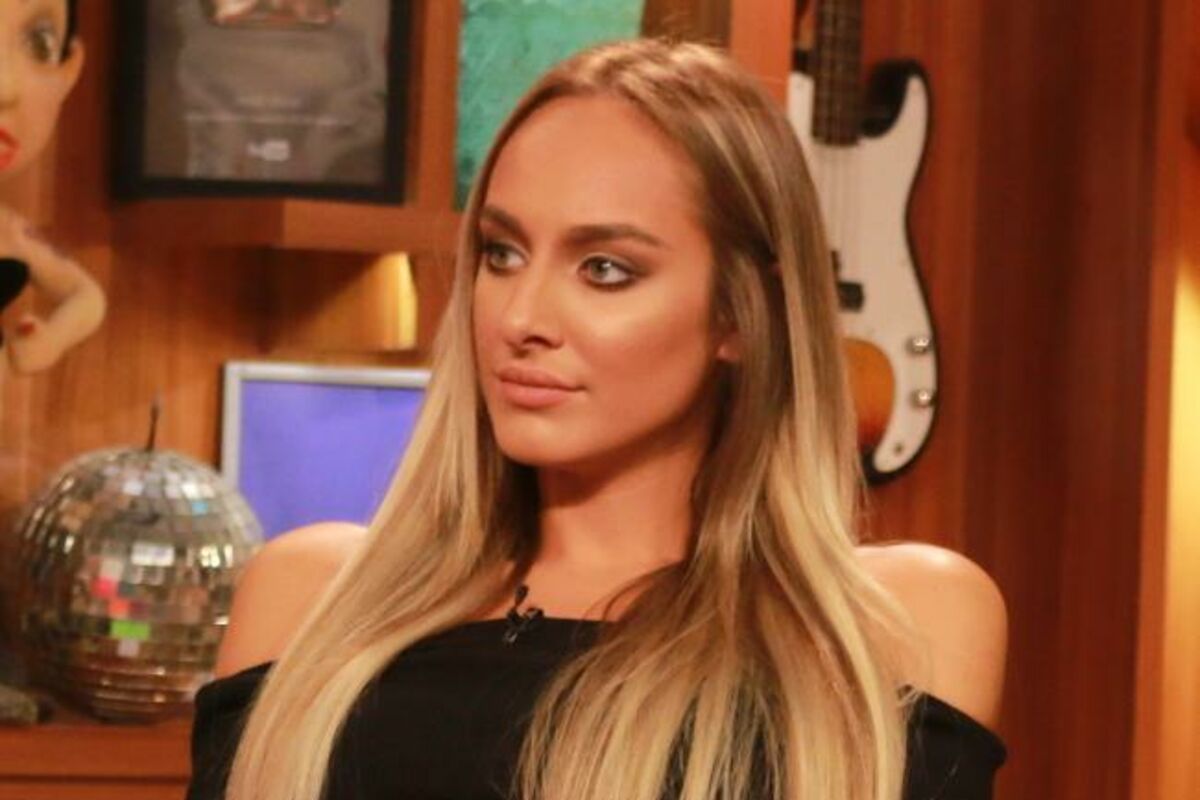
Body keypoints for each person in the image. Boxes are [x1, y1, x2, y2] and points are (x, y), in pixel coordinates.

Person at [189, 38, 1008, 800]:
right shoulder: (305, 601)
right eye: (503, 253)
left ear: (740, 312)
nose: (521, 318)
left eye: (605, 269)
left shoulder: (895, 628)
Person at [0, 0, 106, 379]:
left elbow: (87, 297)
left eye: (39, 43)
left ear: (68, 71)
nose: (5, 86)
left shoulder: (9, 231)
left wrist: (52, 340)